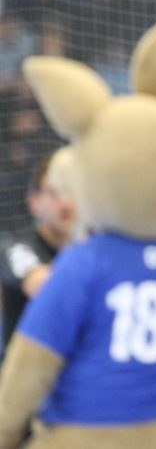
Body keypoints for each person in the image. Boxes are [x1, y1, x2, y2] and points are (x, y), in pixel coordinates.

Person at [0, 147, 76, 359]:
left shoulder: (88, 251)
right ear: (34, 202)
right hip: (22, 375)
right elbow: (41, 285)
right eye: (55, 192)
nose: (65, 203)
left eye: (71, 191)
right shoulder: (19, 249)